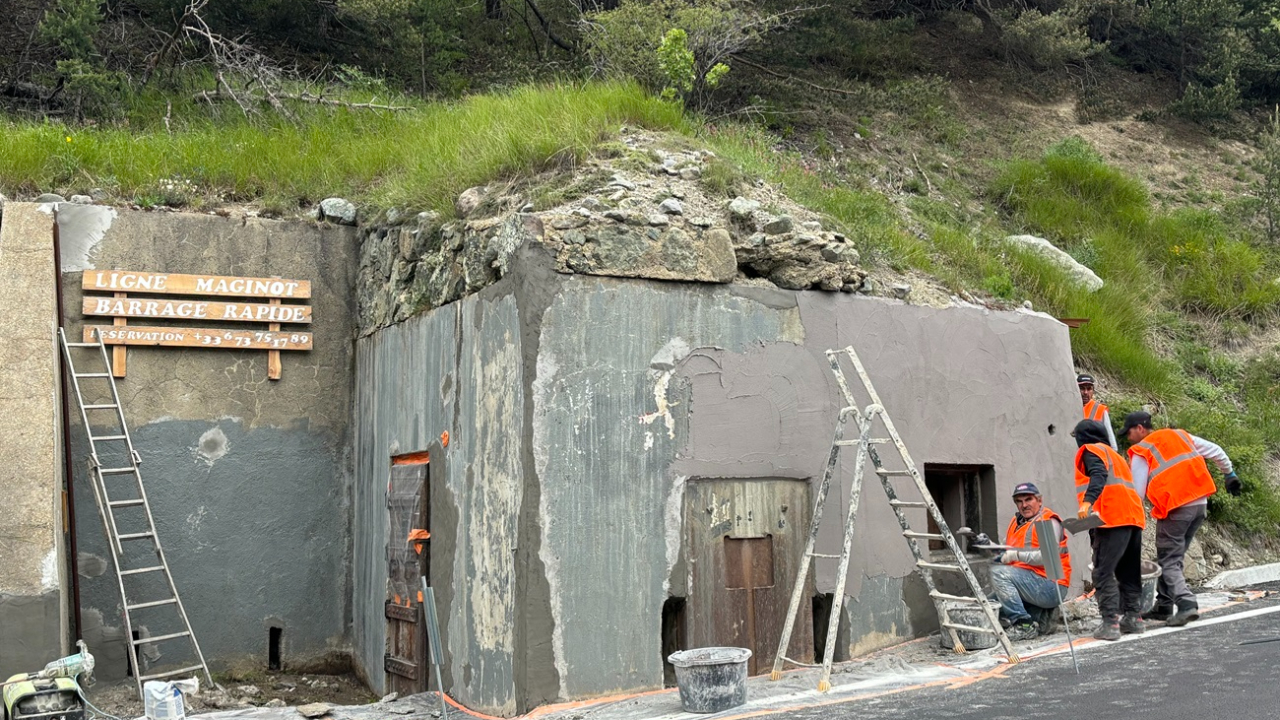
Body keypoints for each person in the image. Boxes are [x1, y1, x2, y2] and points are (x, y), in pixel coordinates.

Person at [1121, 411, 1242, 627]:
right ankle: (1164, 604)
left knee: (1168, 559)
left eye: (1128, 432)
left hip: (1176, 508)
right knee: (1172, 557)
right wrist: (1229, 474)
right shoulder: (1180, 435)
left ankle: (1186, 603)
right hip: (1199, 505)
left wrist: (1128, 519)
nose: (1128, 437)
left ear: (1140, 428)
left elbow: (1137, 493)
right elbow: (1216, 450)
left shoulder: (1142, 450)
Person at [1074, 418, 1146, 640]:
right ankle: (1134, 618)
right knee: (1128, 571)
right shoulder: (1116, 456)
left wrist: (1087, 501)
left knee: (1103, 572)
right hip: (1133, 517)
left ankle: (1110, 623)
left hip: (1112, 519)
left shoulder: (1092, 450)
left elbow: (1097, 475)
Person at [986, 482, 1071, 641]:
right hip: (1028, 583)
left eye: (1028, 499)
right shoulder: (1016, 522)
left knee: (999, 573)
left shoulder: (1046, 520)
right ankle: (1041, 617)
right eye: (1019, 501)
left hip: (1051, 584)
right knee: (987, 607)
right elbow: (1006, 552)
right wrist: (988, 545)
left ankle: (1024, 625)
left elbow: (1048, 557)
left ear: (1039, 500)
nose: (1024, 505)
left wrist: (1014, 556)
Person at [1077, 373, 1118, 450]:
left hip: (1093, 457)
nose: (1085, 392)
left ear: (1093, 391)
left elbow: (1113, 445)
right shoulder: (1068, 407)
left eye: (1089, 389)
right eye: (1082, 388)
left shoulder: (1100, 410)